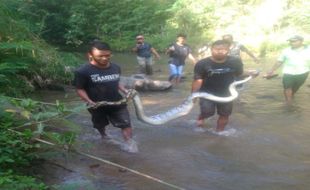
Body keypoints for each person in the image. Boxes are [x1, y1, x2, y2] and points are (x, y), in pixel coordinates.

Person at [74, 40, 137, 152]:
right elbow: (79, 89)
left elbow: (116, 82)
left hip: (117, 102)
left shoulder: (116, 67)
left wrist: (124, 90)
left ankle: (130, 144)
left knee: (126, 123)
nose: (104, 58)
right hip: (96, 104)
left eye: (107, 55)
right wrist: (89, 100)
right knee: (100, 124)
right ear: (90, 55)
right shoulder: (82, 71)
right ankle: (104, 135)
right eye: (100, 56)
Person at [191, 40, 258, 132]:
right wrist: (193, 96)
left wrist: (250, 74)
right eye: (217, 49)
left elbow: (239, 74)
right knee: (207, 112)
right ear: (211, 49)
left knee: (225, 114)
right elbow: (198, 80)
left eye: (223, 49)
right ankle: (201, 117)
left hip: (227, 94)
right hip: (206, 93)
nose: (220, 51)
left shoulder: (235, 61)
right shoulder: (202, 63)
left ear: (228, 50)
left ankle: (219, 133)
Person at [265, 35, 310, 105]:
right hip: (288, 72)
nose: (291, 43)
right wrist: (272, 70)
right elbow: (279, 61)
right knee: (287, 87)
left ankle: (291, 96)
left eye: (294, 41)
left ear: (301, 41)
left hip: (303, 72)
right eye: (290, 41)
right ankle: (288, 103)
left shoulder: (308, 49)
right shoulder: (286, 51)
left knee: (295, 89)